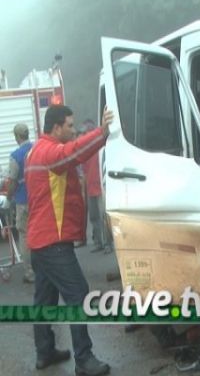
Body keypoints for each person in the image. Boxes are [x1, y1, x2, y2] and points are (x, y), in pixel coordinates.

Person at [25, 104, 113, 376]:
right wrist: (102, 133)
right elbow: (72, 153)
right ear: (56, 127)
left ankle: (45, 352)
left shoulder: (34, 151)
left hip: (39, 241)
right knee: (78, 296)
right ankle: (84, 359)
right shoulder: (50, 151)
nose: (73, 131)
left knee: (44, 302)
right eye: (70, 126)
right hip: (52, 242)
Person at [6, 123, 34, 283]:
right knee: (40, 233)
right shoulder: (36, 149)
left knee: (24, 235)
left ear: (17, 137)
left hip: (23, 201)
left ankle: (30, 273)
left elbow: (11, 182)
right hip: (38, 199)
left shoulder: (16, 156)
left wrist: (8, 199)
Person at [80, 120, 110, 254]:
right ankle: (98, 242)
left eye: (85, 132)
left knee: (103, 217)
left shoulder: (100, 146)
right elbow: (84, 171)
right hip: (91, 188)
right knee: (94, 217)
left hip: (100, 188)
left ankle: (108, 244)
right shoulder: (86, 150)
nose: (83, 135)